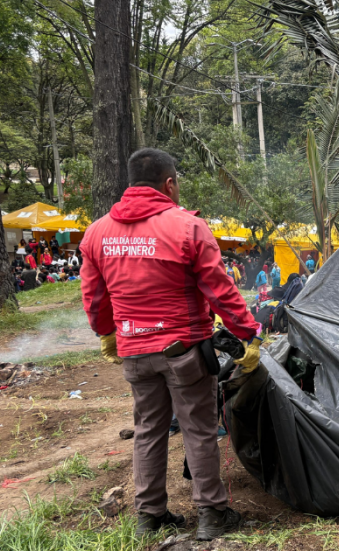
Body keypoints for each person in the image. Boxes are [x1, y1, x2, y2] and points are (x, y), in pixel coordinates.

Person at [79, 148, 261, 538]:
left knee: (148, 430)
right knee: (198, 430)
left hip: (133, 351)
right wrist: (247, 334)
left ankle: (150, 516)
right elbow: (220, 290)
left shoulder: (96, 233)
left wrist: (106, 332)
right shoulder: (187, 227)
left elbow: (94, 297)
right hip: (183, 350)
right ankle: (212, 514)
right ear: (170, 184)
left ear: (130, 184)